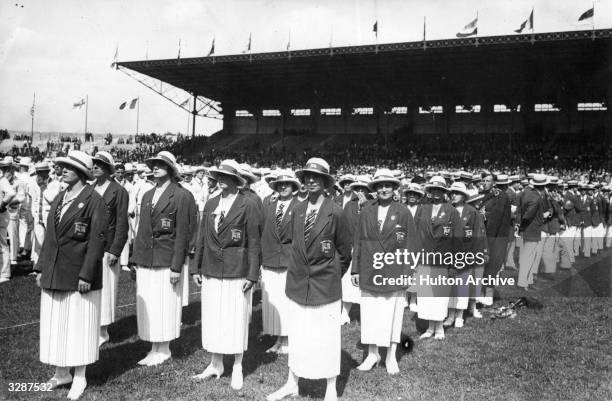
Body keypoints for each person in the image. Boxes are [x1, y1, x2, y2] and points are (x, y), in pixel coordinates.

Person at [267, 157, 352, 401]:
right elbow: (293, 244)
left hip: (324, 286)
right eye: (307, 177)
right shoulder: (297, 209)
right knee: (299, 334)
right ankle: (292, 382)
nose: (311, 180)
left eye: (317, 177)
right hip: (298, 284)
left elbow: (344, 253)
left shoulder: (335, 212)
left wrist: (330, 273)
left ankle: (330, 388)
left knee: (325, 336)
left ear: (326, 182)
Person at [33, 150, 107, 400]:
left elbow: (97, 241)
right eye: (62, 166)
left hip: (78, 275)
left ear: (82, 173)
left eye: (69, 167)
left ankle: (80, 376)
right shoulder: (60, 197)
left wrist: (87, 274)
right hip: (55, 271)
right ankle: (61, 371)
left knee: (79, 324)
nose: (62, 169)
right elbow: (51, 238)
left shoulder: (94, 200)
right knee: (56, 322)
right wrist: (41, 268)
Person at [191, 159, 261, 390]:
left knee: (235, 318)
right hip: (211, 269)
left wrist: (252, 275)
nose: (220, 180)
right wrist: (196, 267)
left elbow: (254, 242)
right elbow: (201, 236)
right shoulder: (211, 204)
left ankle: (238, 366)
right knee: (213, 317)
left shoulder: (247, 204)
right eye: (218, 176)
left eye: (225, 177)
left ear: (235, 181)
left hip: (236, 270)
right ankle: (216, 363)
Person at [351, 168, 419, 375]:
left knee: (392, 314)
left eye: (388, 185)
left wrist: (408, 271)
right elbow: (358, 241)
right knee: (370, 314)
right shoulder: (367, 212)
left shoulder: (403, 212)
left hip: (394, 270)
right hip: (369, 270)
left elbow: (412, 244)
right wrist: (355, 269)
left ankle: (390, 355)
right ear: (375, 189)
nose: (384, 189)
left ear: (394, 188)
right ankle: (372, 354)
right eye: (380, 186)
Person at [130, 151, 194, 366]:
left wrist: (176, 266)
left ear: (171, 169)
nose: (155, 167)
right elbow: (142, 231)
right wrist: (134, 259)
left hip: (167, 259)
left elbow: (183, 234)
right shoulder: (147, 195)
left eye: (161, 165)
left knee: (165, 303)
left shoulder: (182, 196)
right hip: (147, 258)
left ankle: (164, 348)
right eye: (154, 164)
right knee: (149, 301)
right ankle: (153, 346)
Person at [413, 176, 463, 340]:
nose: (436, 193)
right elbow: (414, 232)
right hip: (424, 258)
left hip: (443, 259)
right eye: (433, 189)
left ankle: (439, 327)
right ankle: (429, 327)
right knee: (426, 294)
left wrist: (454, 264)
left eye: (439, 190)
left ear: (444, 192)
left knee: (440, 295)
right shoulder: (422, 209)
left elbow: (458, 239)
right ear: (429, 191)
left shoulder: (452, 211)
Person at [259, 169, 301, 354]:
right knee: (273, 300)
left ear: (293, 187)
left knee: (287, 301)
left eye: (287, 184)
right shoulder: (268, 203)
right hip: (269, 259)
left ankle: (289, 339)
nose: (283, 187)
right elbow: (263, 230)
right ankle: (278, 338)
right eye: (280, 184)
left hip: (288, 260)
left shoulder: (300, 206)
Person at [91, 151, 129, 346]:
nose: (95, 167)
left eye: (100, 164)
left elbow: (122, 223)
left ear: (108, 169)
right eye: (94, 164)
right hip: (89, 247)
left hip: (107, 246)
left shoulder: (118, 191)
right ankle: (91, 325)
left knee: (106, 288)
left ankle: (103, 331)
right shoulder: (89, 189)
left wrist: (115, 250)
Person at [444, 182, 487, 328]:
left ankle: (459, 316)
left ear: (464, 196)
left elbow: (477, 235)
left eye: (457, 193)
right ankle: (450, 315)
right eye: (452, 193)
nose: (453, 195)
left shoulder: (472, 212)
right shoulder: (447, 210)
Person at [517, 174, 545, 289]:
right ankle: (523, 282)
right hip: (532, 229)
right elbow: (528, 215)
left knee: (528, 256)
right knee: (528, 257)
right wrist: (523, 227)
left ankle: (527, 281)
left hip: (530, 229)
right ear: (543, 186)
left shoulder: (528, 193)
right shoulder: (536, 197)